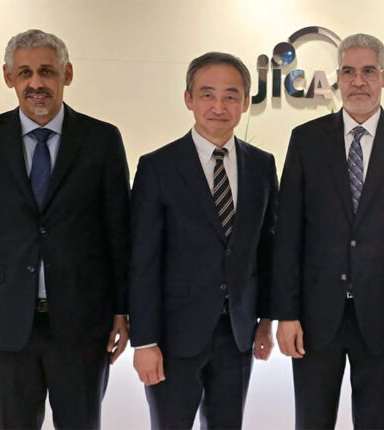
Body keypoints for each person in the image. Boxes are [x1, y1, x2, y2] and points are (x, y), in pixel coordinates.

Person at [0, 29, 130, 429]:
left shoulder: (102, 140)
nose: (36, 83)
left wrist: (122, 310)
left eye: (46, 71)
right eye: (24, 72)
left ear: (67, 74)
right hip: (4, 326)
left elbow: (118, 233)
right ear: (8, 77)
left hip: (83, 325)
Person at [271, 33, 384, 429]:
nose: (358, 81)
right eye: (348, 72)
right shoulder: (306, 140)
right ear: (338, 78)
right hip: (315, 318)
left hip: (383, 319)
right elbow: (288, 234)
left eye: (368, 71)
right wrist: (286, 314)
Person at [128, 51, 278, 429]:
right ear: (189, 99)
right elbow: (143, 260)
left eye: (230, 96)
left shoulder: (261, 166)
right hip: (172, 338)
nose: (218, 106)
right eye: (207, 94)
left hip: (237, 335)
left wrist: (265, 320)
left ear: (245, 102)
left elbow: (266, 250)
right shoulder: (157, 167)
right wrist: (144, 341)